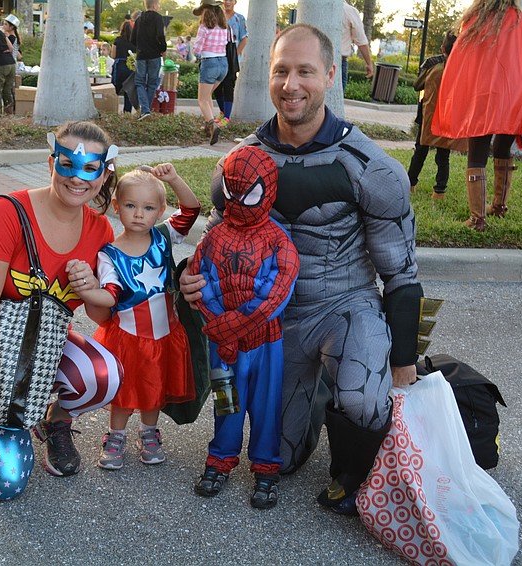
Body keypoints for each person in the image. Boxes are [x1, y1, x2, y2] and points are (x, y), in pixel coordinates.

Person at [180, 24, 423, 516]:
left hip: (343, 304)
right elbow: (216, 237)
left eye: (305, 71)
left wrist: (402, 368)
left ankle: (352, 463)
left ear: (330, 75)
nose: (291, 84)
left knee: (362, 399)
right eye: (281, 71)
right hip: (272, 324)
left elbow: (400, 275)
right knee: (281, 461)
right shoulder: (238, 162)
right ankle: (314, 397)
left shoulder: (371, 168)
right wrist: (192, 276)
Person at [0, 121, 123, 496]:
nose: (78, 179)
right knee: (7, 484)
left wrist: (91, 289)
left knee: (103, 375)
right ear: (51, 163)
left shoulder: (101, 231)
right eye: (67, 165)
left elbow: (100, 317)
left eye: (91, 168)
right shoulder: (6, 213)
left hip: (39, 349)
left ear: (105, 174)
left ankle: (52, 420)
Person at [190, 146, 299, 510]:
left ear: (266, 190)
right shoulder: (213, 237)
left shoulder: (279, 240)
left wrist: (226, 328)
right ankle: (220, 458)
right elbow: (198, 278)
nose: (237, 200)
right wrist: (219, 322)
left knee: (267, 405)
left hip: (263, 343)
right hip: (223, 345)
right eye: (231, 190)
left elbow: (277, 293)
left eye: (247, 191)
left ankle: (266, 467)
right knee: (226, 402)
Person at [75, 165, 200, 471]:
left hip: (165, 333)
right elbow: (110, 295)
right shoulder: (109, 254)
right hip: (127, 337)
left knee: (154, 387)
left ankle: (148, 432)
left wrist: (172, 179)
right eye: (130, 205)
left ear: (160, 211)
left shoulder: (163, 237)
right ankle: (115, 435)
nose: (139, 214)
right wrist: (86, 291)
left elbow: (192, 210)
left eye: (148, 207)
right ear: (117, 207)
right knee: (123, 391)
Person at [432, 0, 522, 231]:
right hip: (516, 96)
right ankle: (499, 206)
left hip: (486, 95)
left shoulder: (475, 20)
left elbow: (462, 61)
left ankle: (477, 219)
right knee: (502, 149)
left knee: (477, 154)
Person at [407, 31, 466, 200]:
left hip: (428, 116)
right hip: (448, 118)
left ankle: (410, 183)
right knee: (443, 155)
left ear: (443, 48)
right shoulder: (462, 68)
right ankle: (439, 191)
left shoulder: (433, 63)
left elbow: (417, 85)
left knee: (421, 149)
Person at [192, 0, 228, 144]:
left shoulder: (204, 28)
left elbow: (197, 49)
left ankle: (212, 125)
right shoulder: (224, 27)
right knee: (208, 98)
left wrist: (198, 53)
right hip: (223, 65)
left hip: (210, 63)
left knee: (201, 99)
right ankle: (209, 127)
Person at [130, 0, 166, 119]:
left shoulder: (139, 19)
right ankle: (146, 110)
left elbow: (133, 39)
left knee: (140, 82)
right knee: (152, 82)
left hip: (141, 55)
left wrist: (140, 47)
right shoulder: (158, 18)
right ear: (155, 5)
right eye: (159, 5)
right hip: (155, 55)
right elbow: (160, 35)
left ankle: (145, 111)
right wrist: (162, 48)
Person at [212, 0, 247, 124]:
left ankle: (227, 117)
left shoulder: (239, 19)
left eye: (230, 0)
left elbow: (244, 38)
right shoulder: (217, 17)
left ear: (235, 2)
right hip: (217, 56)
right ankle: (222, 112)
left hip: (231, 58)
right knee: (216, 86)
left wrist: (235, 54)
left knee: (228, 86)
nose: (227, 2)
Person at [340, 1, 373, 90]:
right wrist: (369, 63)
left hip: (315, 59)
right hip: (339, 61)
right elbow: (361, 41)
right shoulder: (349, 11)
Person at [111, 21, 134, 113]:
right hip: (131, 68)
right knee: (129, 92)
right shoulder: (134, 41)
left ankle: (112, 109)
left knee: (115, 90)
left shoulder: (117, 40)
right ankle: (127, 112)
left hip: (119, 67)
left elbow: (113, 55)